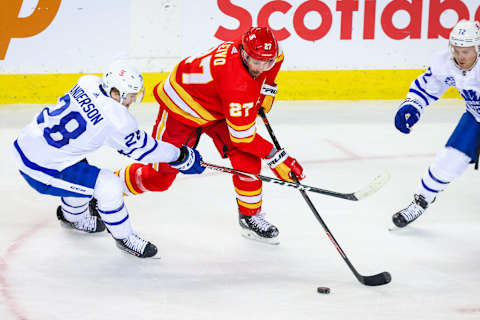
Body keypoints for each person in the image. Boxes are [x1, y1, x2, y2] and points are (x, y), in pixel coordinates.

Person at [114, 27, 304, 244]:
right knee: (159, 178)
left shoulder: (264, 52)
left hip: (217, 106)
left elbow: (276, 58)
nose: (261, 68)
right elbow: (244, 137)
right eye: (256, 63)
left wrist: (267, 88)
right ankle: (105, 191)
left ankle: (249, 217)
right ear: (243, 53)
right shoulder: (236, 83)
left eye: (266, 63)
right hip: (182, 108)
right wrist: (276, 157)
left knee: (247, 160)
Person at [11, 60, 205, 258]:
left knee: (82, 179)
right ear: (115, 93)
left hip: (29, 143)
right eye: (130, 96)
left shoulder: (88, 82)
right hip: (40, 167)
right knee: (108, 186)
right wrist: (181, 156)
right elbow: (145, 150)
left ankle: (72, 218)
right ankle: (125, 238)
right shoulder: (117, 119)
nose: (132, 101)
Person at [392, 19, 480, 228]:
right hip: (474, 118)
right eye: (456, 50)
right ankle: (421, 201)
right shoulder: (446, 63)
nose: (460, 56)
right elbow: (428, 86)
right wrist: (412, 106)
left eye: (466, 51)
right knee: (448, 161)